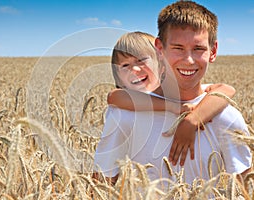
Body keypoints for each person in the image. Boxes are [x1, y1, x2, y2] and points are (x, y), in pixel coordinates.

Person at [93, 1, 252, 187]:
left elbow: (248, 187)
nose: (189, 60)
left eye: (198, 49)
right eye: (178, 48)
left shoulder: (226, 117)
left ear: (213, 51)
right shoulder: (124, 113)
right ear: (159, 48)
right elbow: (99, 187)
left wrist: (191, 120)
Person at [107, 31, 236, 167]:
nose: (135, 69)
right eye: (125, 65)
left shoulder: (183, 93)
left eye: (142, 60)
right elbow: (113, 96)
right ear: (117, 74)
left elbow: (227, 90)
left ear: (162, 63)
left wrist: (192, 120)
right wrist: (175, 107)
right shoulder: (123, 106)